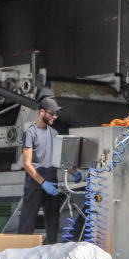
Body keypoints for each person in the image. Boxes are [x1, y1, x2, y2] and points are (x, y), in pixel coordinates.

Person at [19, 97, 80, 244]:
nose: (55, 117)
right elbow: (27, 164)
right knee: (26, 228)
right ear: (42, 112)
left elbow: (60, 158)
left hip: (51, 187)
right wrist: (43, 182)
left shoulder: (54, 133)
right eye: (52, 114)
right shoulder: (30, 134)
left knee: (53, 227)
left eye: (56, 114)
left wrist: (74, 172)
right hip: (34, 187)